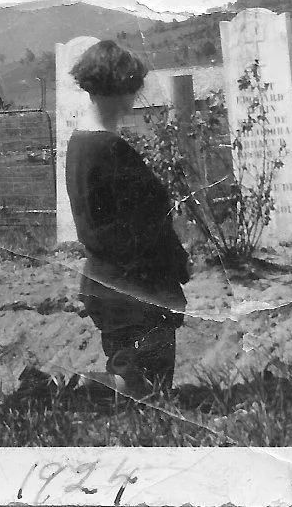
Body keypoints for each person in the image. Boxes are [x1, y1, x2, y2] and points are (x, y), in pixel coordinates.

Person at [65, 40, 191, 396]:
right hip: (136, 290)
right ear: (124, 89)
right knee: (144, 389)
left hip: (109, 284)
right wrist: (175, 263)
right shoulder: (109, 149)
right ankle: (57, 390)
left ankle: (66, 390)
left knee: (140, 384)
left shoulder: (81, 143)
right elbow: (141, 226)